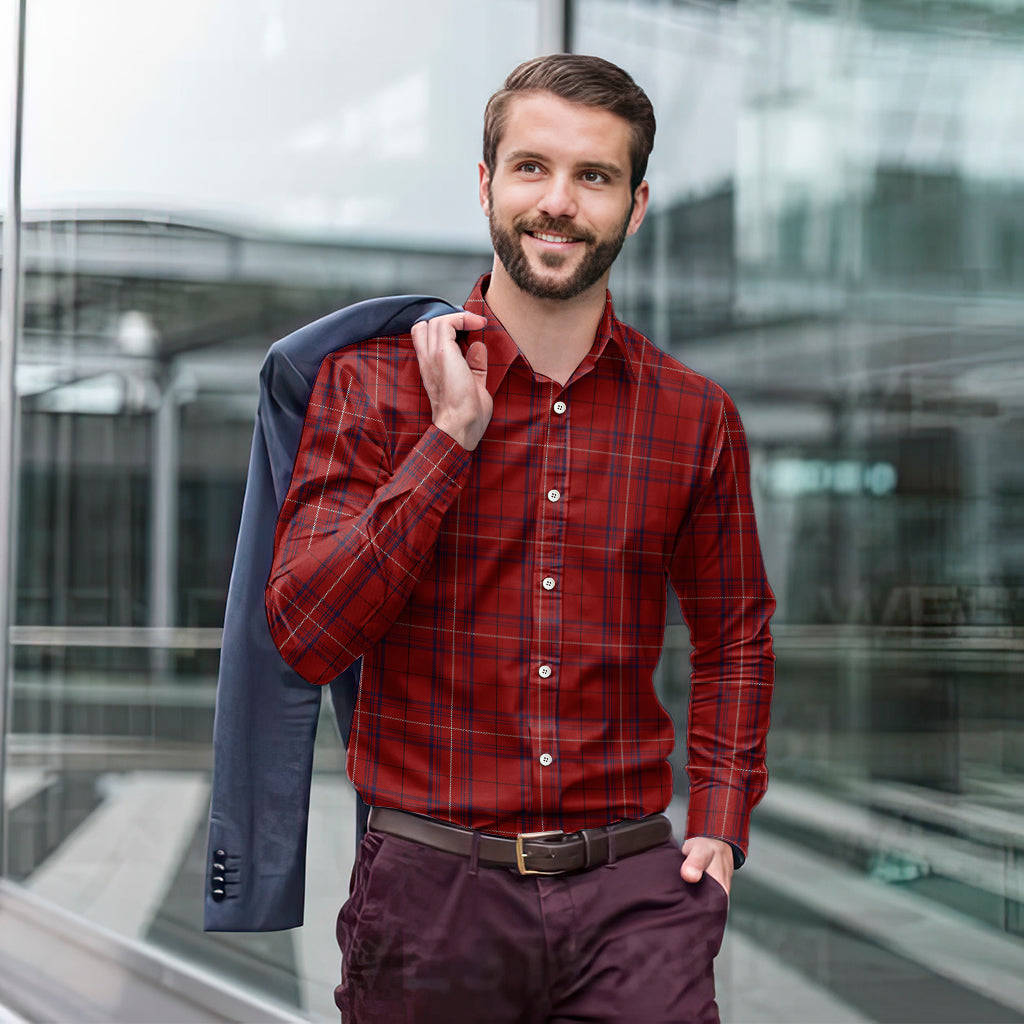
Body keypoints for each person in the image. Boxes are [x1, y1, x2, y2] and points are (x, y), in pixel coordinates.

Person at [265, 53, 775, 1023]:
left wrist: (717, 819)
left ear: (636, 204)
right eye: (532, 167)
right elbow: (305, 632)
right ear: (486, 182)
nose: (559, 202)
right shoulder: (371, 388)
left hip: (634, 899)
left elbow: (735, 634)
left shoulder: (693, 417)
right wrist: (449, 440)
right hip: (430, 898)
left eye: (595, 176)